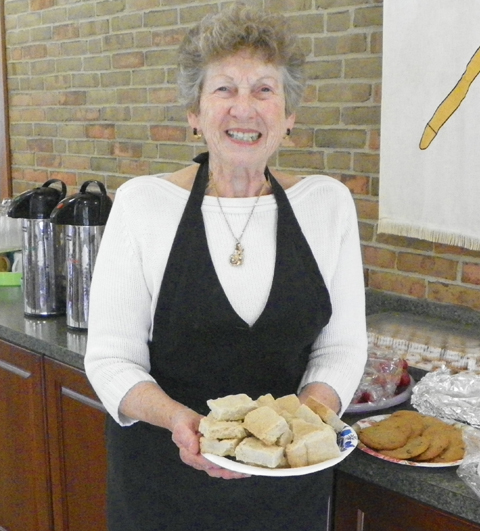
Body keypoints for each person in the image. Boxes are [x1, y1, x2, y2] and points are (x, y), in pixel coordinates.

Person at [84, 3, 367, 530]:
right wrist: (180, 422)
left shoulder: (327, 205)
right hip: (163, 488)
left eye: (264, 89)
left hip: (288, 491)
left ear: (288, 115)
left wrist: (297, 424)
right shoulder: (144, 204)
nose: (245, 108)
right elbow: (108, 359)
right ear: (194, 113)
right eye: (224, 89)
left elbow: (342, 347)